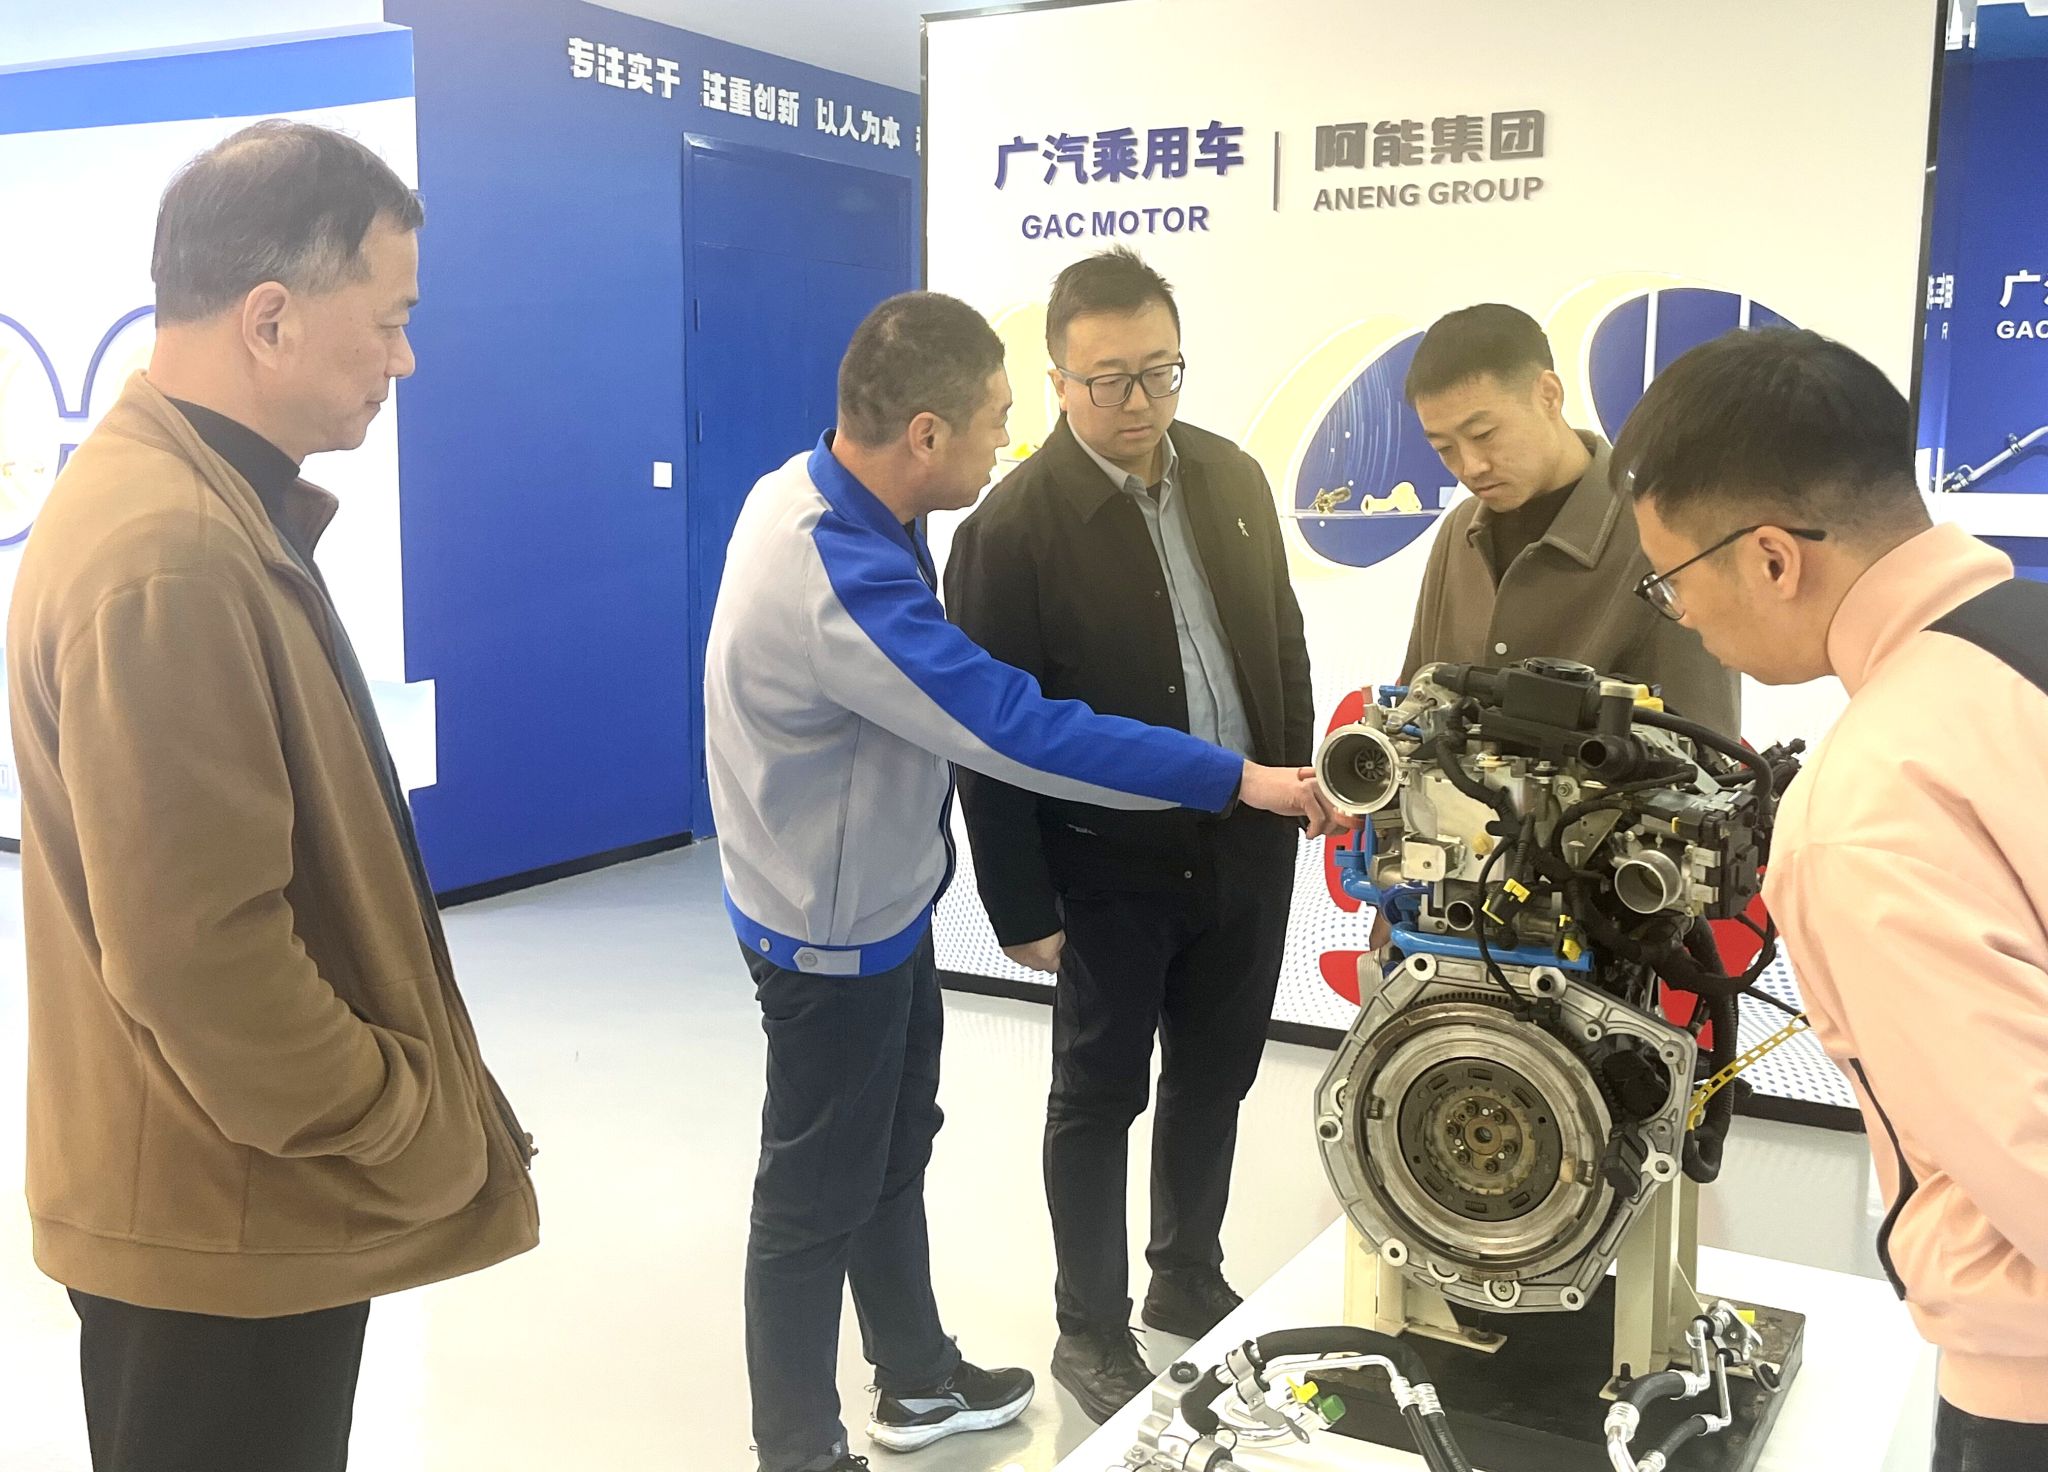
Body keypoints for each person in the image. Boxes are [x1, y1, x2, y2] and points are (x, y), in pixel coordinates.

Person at [703, 289, 1338, 1472]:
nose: (1008, 437)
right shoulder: (843, 572)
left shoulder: (813, 488)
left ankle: (915, 1375)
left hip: (877, 898)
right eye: (998, 416)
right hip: (826, 929)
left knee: (895, 1144)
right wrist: (1230, 777)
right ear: (926, 434)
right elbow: (1013, 727)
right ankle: (796, 1447)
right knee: (811, 1196)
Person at [6, 121, 539, 1472]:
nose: (404, 361)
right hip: (221, 1220)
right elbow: (202, 957)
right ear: (269, 318)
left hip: (229, 1198)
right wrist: (396, 1115)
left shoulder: (198, 511)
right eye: (391, 321)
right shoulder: (170, 552)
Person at [1611, 326, 2048, 1472]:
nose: (1678, 612)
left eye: (1670, 578)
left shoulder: (1868, 802)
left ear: (1769, 557)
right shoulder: (2021, 645)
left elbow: (2029, 1152)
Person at [944, 248, 1313, 1423]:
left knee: (1216, 1070)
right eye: (1108, 379)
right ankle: (1089, 1326)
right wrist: (1018, 903)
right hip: (1103, 865)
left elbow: (1280, 645)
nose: (1139, 401)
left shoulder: (1231, 477)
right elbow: (986, 733)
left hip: (1243, 843)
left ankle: (1186, 1271)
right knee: (1097, 1094)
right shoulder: (1009, 529)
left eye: (1160, 369)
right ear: (1057, 380)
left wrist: (1296, 790)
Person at [1401, 303, 1738, 734]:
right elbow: (1414, 701)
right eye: (1444, 449)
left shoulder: (1665, 533)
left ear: (1548, 395)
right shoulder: (1459, 531)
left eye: (1484, 435)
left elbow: (1706, 746)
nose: (1471, 466)